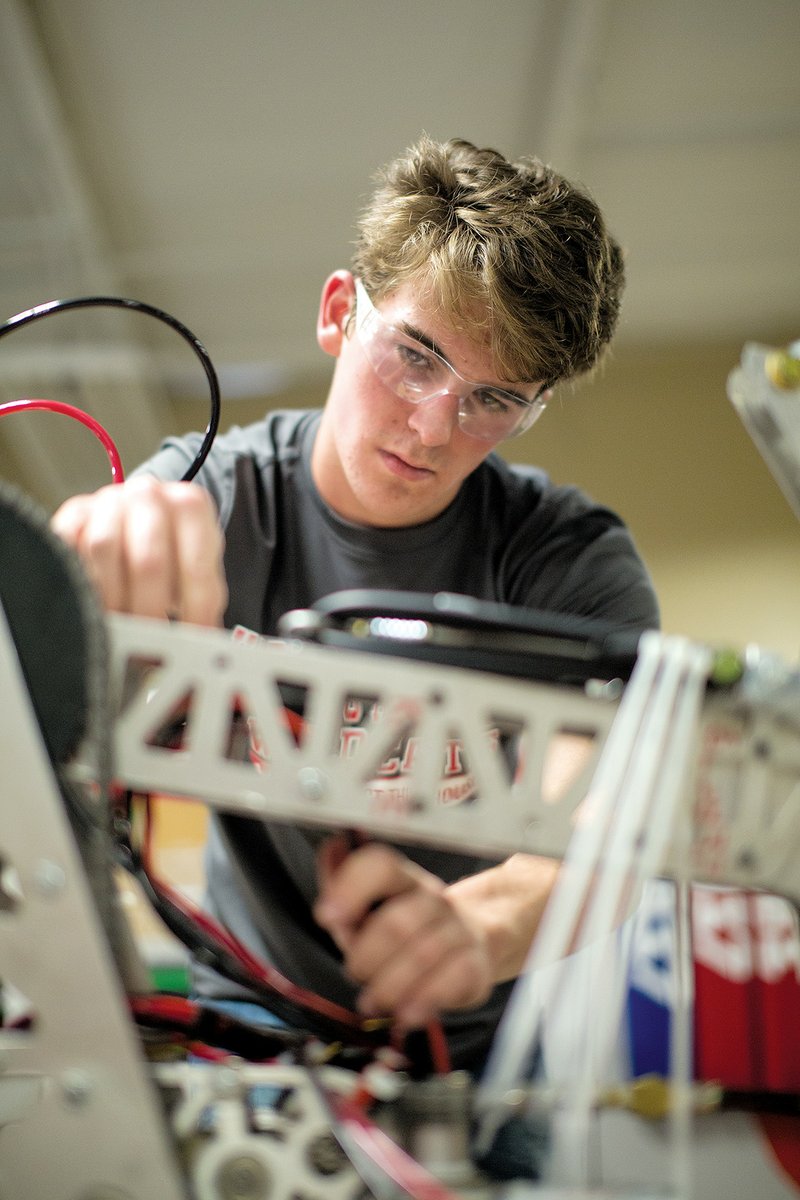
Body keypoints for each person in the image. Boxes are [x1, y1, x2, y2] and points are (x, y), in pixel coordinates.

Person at [52, 135, 659, 1079]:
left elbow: (610, 820)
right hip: (249, 1015)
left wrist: (480, 928)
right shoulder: (211, 498)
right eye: (415, 356)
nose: (433, 426)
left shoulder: (565, 562)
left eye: (493, 400)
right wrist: (81, 564)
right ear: (341, 313)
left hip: (494, 1047)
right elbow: (57, 658)